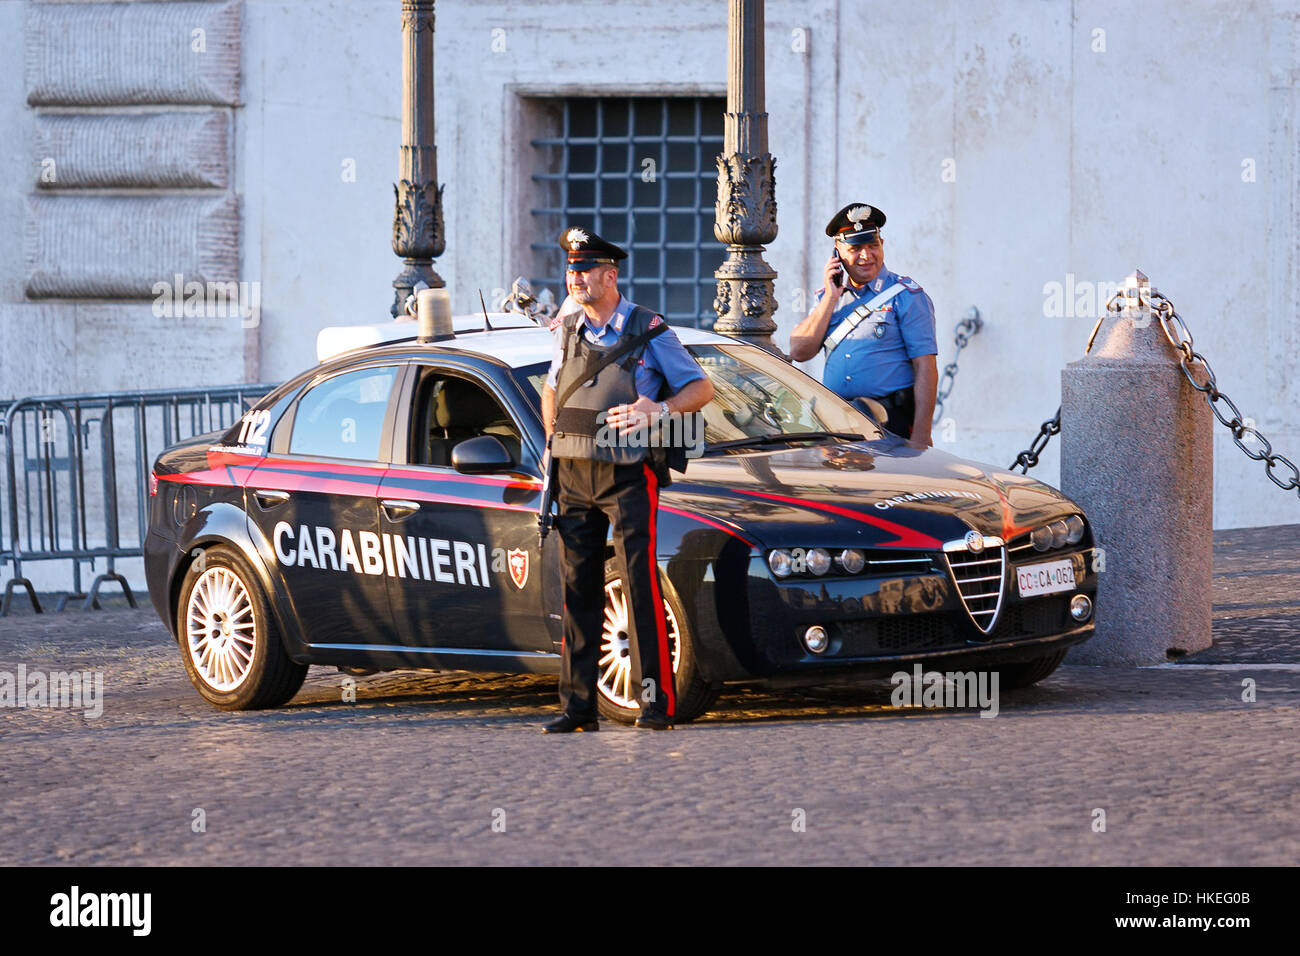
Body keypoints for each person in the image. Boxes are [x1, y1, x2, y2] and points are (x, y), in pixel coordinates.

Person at [540, 227, 714, 733]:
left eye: (585, 270)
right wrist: (553, 438)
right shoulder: (567, 327)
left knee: (639, 584)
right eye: (571, 269)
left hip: (629, 472)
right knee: (578, 587)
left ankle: (654, 705)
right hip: (573, 470)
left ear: (610, 275)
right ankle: (577, 707)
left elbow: (700, 388)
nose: (575, 277)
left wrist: (656, 409)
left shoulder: (649, 328)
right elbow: (552, 389)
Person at [788, 202, 938, 444]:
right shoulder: (828, 296)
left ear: (882, 245)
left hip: (889, 423)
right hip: (837, 425)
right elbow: (799, 351)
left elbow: (926, 367)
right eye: (856, 248)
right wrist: (830, 297)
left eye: (873, 245)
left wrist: (922, 434)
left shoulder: (906, 295)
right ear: (837, 253)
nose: (866, 256)